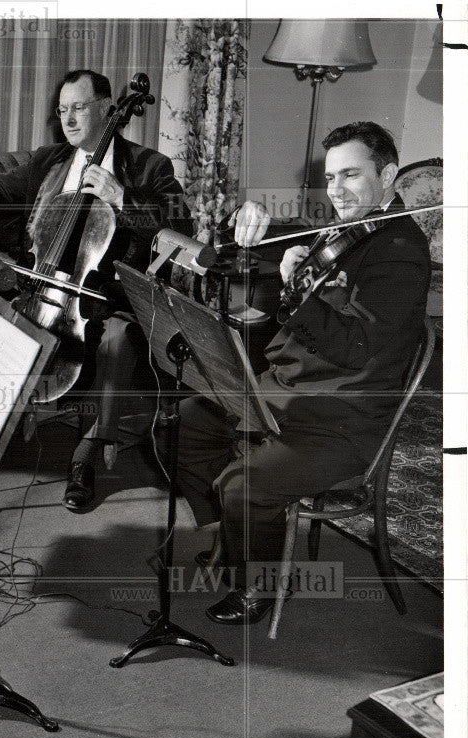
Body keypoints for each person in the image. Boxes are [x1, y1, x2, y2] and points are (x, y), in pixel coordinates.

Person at [176, 122, 431, 624]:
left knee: (243, 484)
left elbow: (357, 345)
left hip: (342, 417)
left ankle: (265, 587)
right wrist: (247, 220)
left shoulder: (400, 251)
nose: (336, 190)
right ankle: (233, 542)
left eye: (351, 175)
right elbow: (258, 243)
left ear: (389, 175)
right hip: (290, 392)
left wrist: (301, 290)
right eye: (331, 177)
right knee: (185, 422)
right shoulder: (344, 231)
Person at [0, 70, 190, 511]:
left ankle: (87, 451)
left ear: (106, 109)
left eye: (78, 107)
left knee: (117, 341)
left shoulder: (149, 166)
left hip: (106, 294)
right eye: (62, 109)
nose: (68, 118)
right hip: (41, 283)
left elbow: (181, 228)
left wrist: (123, 200)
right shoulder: (51, 159)